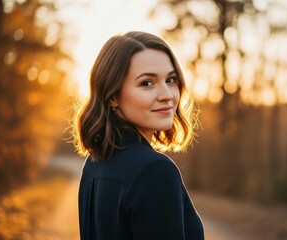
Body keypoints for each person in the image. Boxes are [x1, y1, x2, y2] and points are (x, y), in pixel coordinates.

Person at [73, 31, 204, 240]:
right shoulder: (155, 170)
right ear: (113, 96)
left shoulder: (95, 161)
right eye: (147, 83)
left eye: (171, 80)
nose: (167, 95)